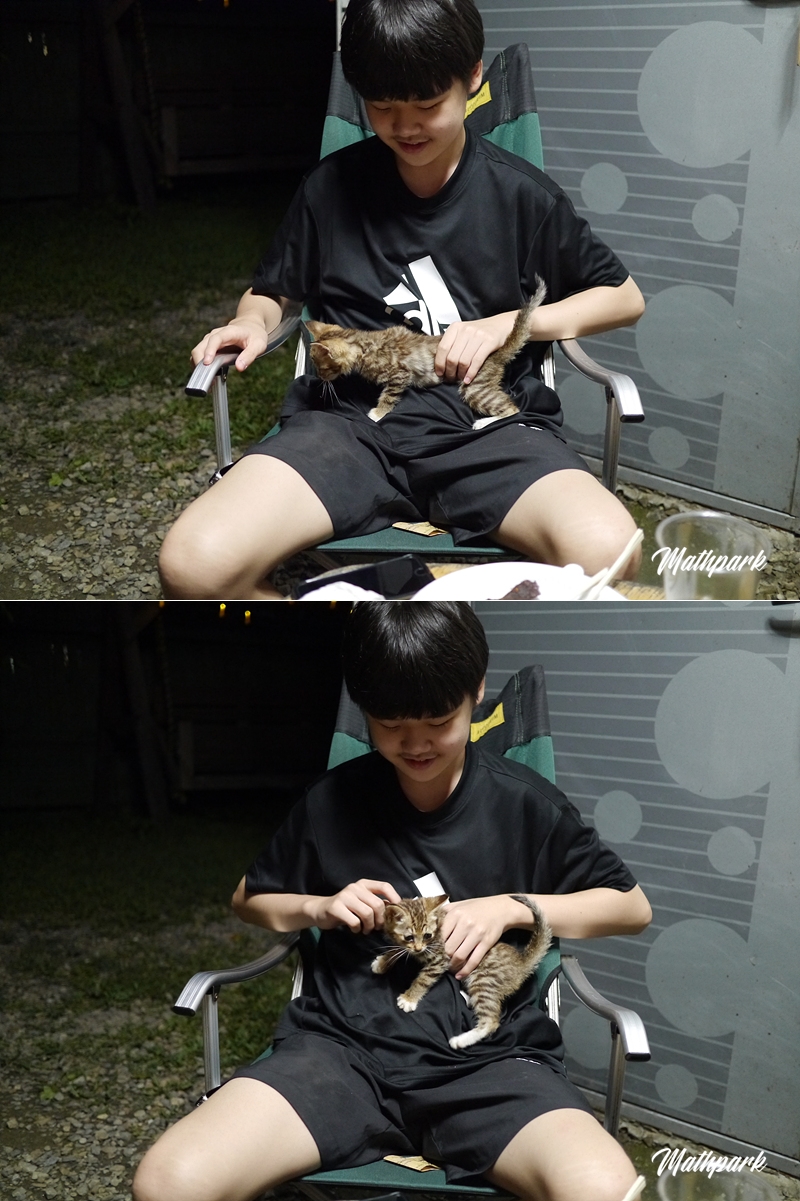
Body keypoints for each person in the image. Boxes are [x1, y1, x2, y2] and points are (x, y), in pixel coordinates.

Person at [132, 602, 652, 1201]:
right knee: (168, 1182)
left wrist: (512, 906)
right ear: (364, 710)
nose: (416, 743)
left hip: (489, 1064)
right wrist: (320, 907)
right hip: (340, 1053)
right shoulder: (332, 801)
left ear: (476, 693)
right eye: (390, 723)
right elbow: (249, 899)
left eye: (439, 720)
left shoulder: (524, 804)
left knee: (604, 1188)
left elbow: (630, 908)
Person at [158, 0, 646, 600]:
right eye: (383, 107)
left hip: (488, 431)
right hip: (348, 428)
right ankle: (362, 620)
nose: (406, 127)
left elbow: (623, 298)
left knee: (611, 553)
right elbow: (274, 292)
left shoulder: (521, 195)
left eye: (427, 105)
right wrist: (252, 322)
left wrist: (508, 324)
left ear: (472, 79)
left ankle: (448, 624)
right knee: (192, 567)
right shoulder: (329, 188)